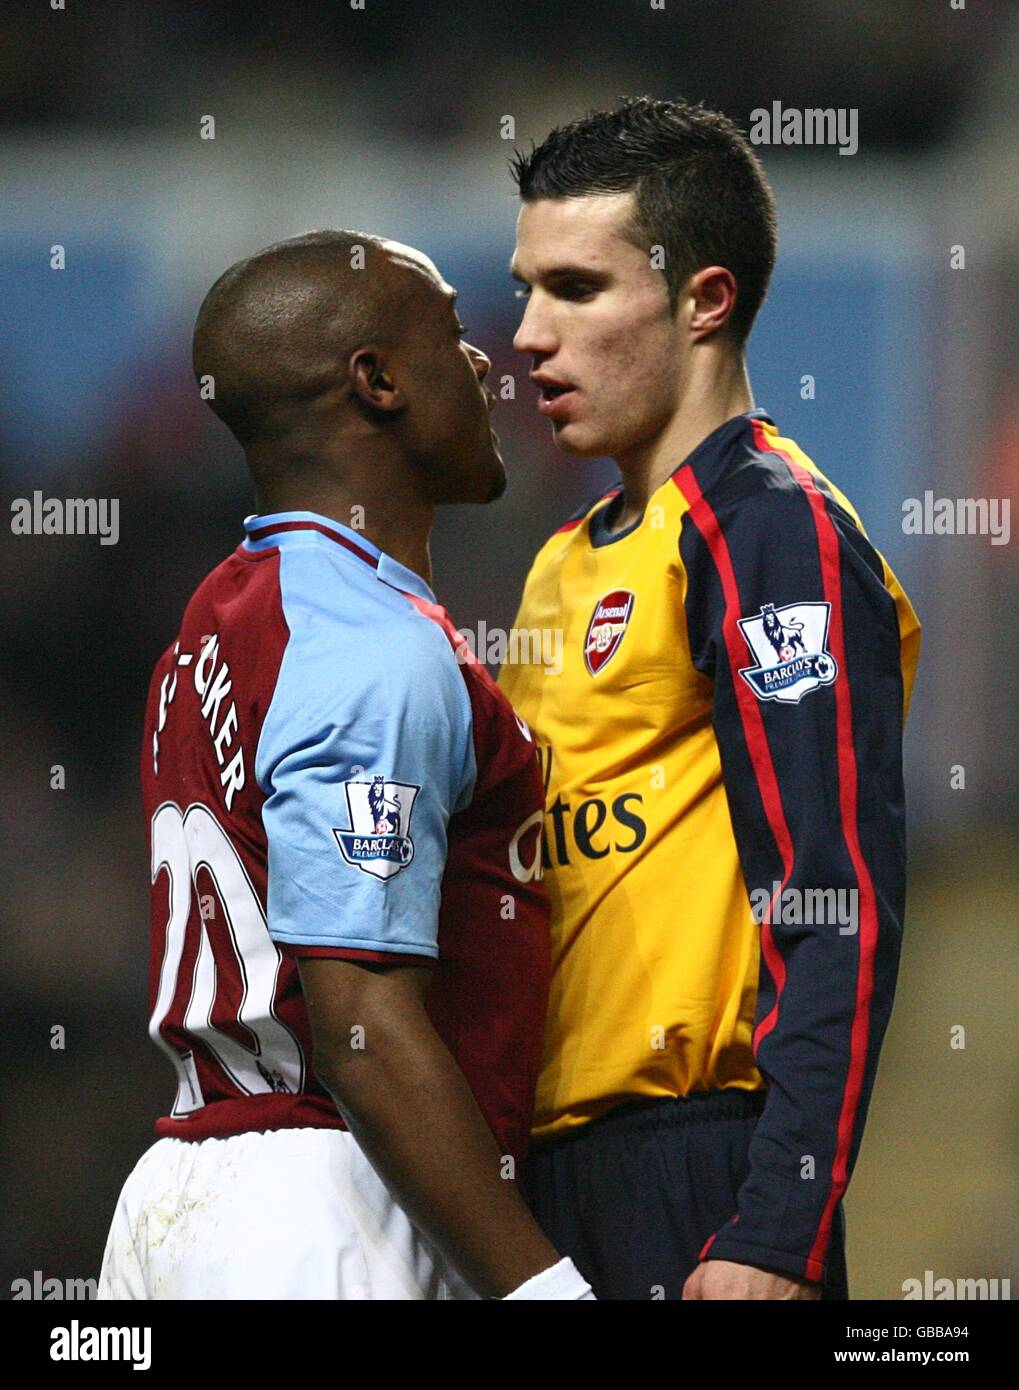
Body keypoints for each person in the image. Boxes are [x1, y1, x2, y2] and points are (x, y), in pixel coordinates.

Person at [96, 229, 593, 1301]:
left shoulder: (215, 620)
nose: (485, 364)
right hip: (321, 1201)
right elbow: (362, 1027)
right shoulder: (367, 644)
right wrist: (543, 1289)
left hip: (182, 1184)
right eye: (454, 336)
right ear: (375, 382)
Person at [499, 98, 921, 1301]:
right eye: (526, 288)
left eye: (575, 289)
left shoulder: (765, 528)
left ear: (703, 300)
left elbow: (835, 893)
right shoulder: (561, 560)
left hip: (698, 1172)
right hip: (550, 1177)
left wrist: (775, 1226)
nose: (528, 335)